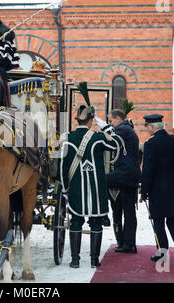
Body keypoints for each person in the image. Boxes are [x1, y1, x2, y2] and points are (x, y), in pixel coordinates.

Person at [60, 105, 122, 268]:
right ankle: (94, 260)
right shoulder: (98, 137)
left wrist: (65, 189)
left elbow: (62, 167)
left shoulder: (67, 138)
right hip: (96, 190)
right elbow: (116, 146)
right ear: (90, 121)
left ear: (78, 121)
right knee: (96, 223)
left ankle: (75, 260)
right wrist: (107, 128)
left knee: (75, 222)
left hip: (75, 189)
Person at [141, 114, 174, 262]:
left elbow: (148, 170)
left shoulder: (150, 144)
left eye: (147, 126)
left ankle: (162, 252)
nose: (146, 129)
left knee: (158, 222)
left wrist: (144, 190)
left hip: (157, 190)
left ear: (151, 127)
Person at [95, 109, 141, 254]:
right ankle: (128, 244)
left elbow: (111, 136)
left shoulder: (123, 129)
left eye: (111, 121)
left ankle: (103, 213)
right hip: (129, 175)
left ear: (119, 119)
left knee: (99, 180)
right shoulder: (127, 129)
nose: (111, 124)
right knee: (128, 211)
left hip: (125, 174)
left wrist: (100, 126)